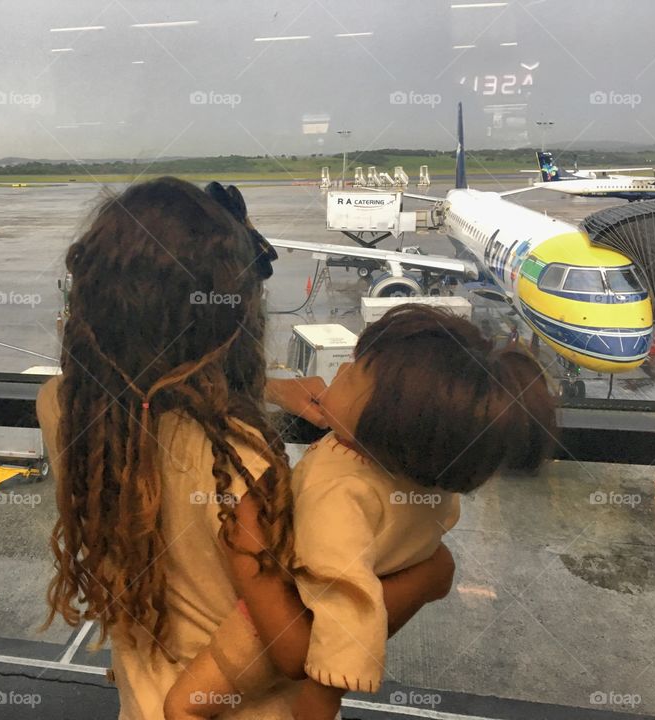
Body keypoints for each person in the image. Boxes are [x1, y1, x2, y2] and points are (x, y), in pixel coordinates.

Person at [37, 178, 456, 719]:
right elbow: (294, 648)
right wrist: (430, 576)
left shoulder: (65, 407)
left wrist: (260, 390)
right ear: (231, 316)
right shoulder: (234, 459)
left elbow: (146, 391)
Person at [164, 304, 557, 720]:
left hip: (270, 624)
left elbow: (347, 600)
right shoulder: (417, 474)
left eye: (354, 371)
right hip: (343, 597)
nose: (340, 372)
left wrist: (324, 693)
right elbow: (433, 542)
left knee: (182, 707)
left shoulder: (339, 494)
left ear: (382, 422)